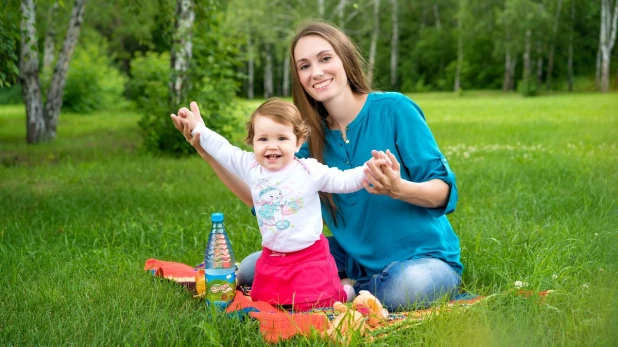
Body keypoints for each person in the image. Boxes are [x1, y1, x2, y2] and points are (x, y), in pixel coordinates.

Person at [172, 21, 463, 312]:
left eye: (325, 58)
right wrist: (203, 148)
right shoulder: (307, 141)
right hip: (352, 256)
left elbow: (444, 192)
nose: (317, 72)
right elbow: (261, 195)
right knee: (250, 269)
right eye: (304, 66)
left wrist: (399, 188)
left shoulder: (395, 110)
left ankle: (341, 291)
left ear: (345, 59)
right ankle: (344, 286)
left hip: (424, 258)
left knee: (403, 288)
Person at [173, 98, 389, 311]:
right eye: (263, 139)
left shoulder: (309, 170)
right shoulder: (250, 166)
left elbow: (343, 180)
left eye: (282, 138)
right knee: (264, 302)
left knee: (318, 303)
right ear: (252, 141)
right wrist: (199, 129)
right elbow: (223, 149)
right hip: (274, 257)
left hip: (309, 257)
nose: (272, 146)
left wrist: (370, 170)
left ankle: (345, 290)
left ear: (298, 142)